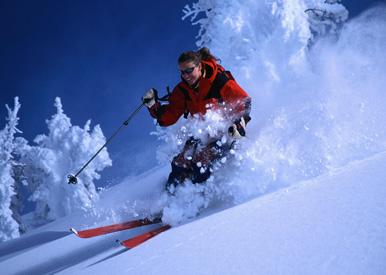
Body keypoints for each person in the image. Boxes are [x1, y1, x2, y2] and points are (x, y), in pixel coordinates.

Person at [142, 47, 251, 191]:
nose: (186, 75)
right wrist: (153, 106)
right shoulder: (182, 90)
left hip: (226, 131)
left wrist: (240, 122)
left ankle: (197, 201)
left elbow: (243, 101)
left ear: (199, 66)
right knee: (180, 162)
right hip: (202, 131)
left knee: (201, 160)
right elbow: (169, 115)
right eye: (182, 72)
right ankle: (168, 201)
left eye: (189, 70)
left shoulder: (218, 80)